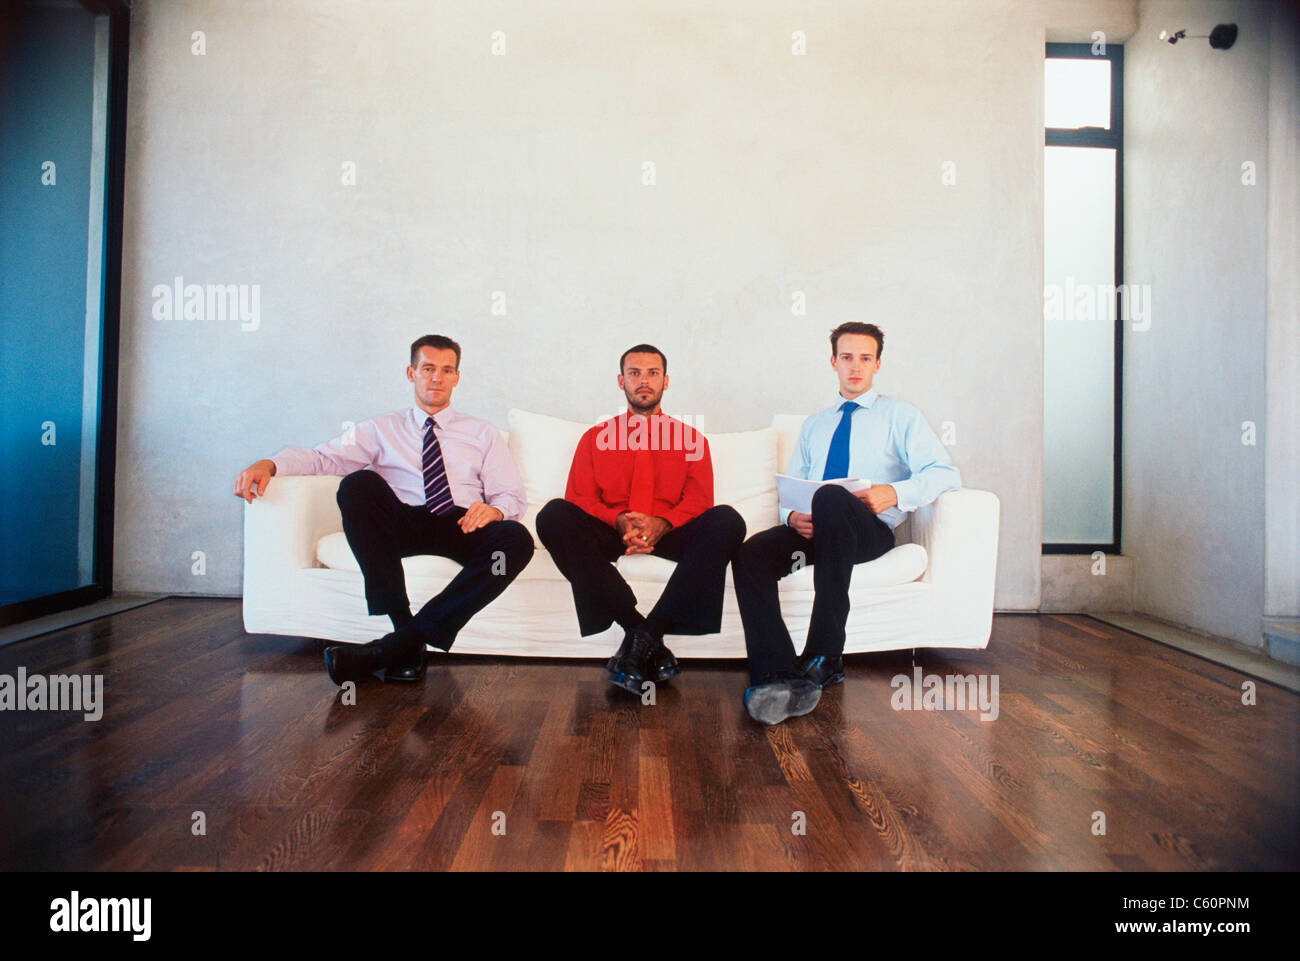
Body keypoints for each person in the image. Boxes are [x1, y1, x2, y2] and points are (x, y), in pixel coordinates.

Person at [233, 334, 533, 685]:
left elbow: (510, 494)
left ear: (456, 377)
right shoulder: (379, 429)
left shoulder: (482, 433)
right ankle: (402, 623)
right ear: (411, 373)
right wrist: (270, 463)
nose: (437, 378)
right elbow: (323, 458)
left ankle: (397, 646)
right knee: (357, 484)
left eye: (446, 370)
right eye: (428, 369)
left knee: (515, 539)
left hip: (461, 523)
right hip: (403, 521)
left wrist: (494, 511)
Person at [733, 322, 960, 725]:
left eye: (865, 358)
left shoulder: (901, 416)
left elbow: (944, 473)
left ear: (877, 365)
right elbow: (791, 490)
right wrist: (791, 516)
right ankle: (776, 674)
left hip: (866, 532)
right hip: (816, 532)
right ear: (833, 362)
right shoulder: (815, 425)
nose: (856, 367)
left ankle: (826, 653)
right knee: (751, 553)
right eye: (847, 357)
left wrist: (894, 492)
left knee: (831, 496)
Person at [536, 344, 746, 695]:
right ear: (621, 381)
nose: (643, 381)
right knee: (553, 515)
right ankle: (642, 633)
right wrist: (617, 520)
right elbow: (581, 498)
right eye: (634, 373)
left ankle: (643, 637)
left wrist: (661, 523)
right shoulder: (594, 438)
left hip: (669, 531)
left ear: (666, 381)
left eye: (652, 373)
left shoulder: (691, 439)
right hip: (611, 530)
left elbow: (698, 500)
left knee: (728, 521)